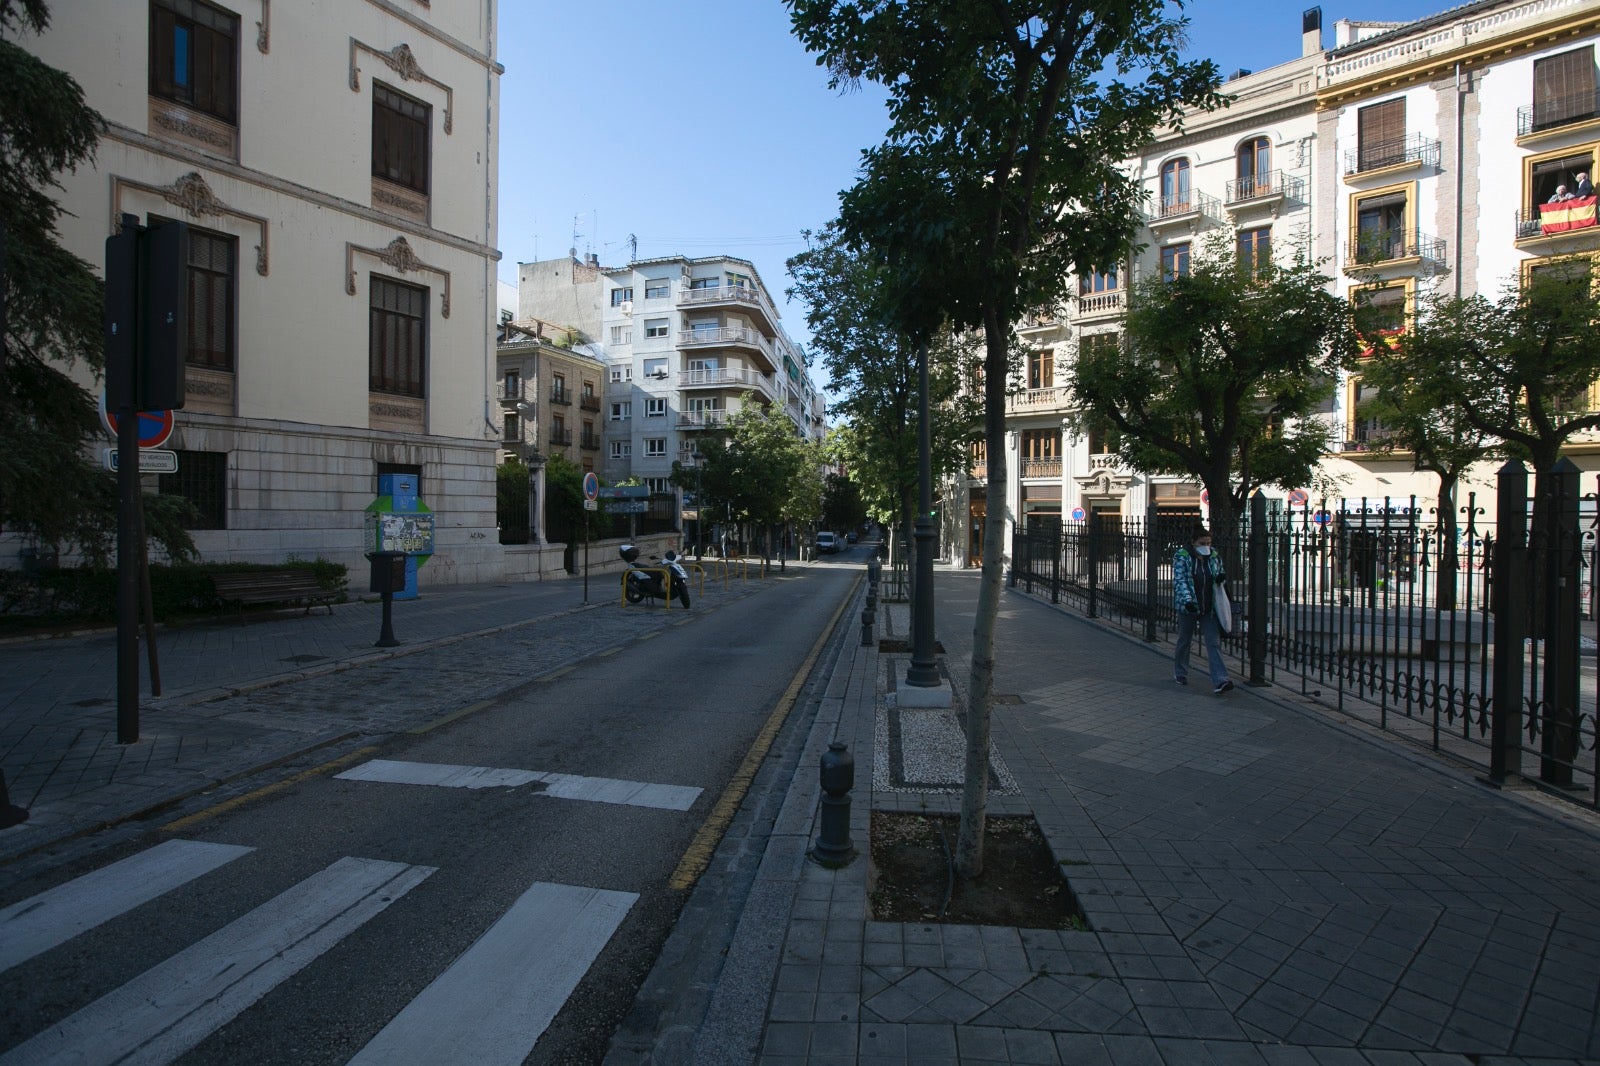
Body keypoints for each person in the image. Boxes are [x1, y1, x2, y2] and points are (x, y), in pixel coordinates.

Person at [1173, 526, 1233, 694]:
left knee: (1213, 643)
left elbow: (1218, 572)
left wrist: (1220, 577)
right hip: (1189, 607)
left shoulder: (1213, 555)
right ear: (1193, 542)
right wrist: (1187, 601)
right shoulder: (1182, 556)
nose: (1206, 546)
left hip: (1210, 608)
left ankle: (1221, 680)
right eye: (1202, 543)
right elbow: (1180, 580)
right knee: (1185, 640)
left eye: (1208, 543)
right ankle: (1180, 672)